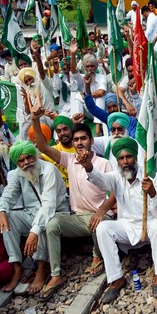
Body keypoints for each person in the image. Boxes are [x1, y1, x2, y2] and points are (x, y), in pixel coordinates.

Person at [31, 113, 113, 300]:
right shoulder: (69, 160)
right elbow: (42, 146)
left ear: (91, 141)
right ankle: (56, 274)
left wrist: (101, 211)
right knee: (52, 224)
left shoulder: (103, 163)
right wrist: (35, 119)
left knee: (100, 224)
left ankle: (97, 255)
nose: (79, 142)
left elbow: (114, 194)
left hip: (100, 216)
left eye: (83, 138)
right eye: (76, 140)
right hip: (77, 218)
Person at [78, 137, 157, 303]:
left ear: (135, 158)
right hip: (126, 227)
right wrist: (87, 165)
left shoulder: (150, 177)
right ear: (117, 161)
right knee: (103, 228)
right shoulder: (116, 177)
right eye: (121, 158)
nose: (126, 162)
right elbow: (98, 179)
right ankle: (116, 278)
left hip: (148, 228)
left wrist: (152, 192)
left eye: (129, 157)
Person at [0, 140, 69, 294]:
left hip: (57, 214)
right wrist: (1, 211)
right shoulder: (16, 174)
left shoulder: (49, 169)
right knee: (7, 217)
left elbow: (48, 206)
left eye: (29, 158)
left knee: (43, 221)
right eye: (21, 161)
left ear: (35, 156)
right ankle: (17, 267)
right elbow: (7, 196)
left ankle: (41, 268)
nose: (26, 163)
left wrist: (34, 231)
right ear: (17, 163)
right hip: (32, 214)